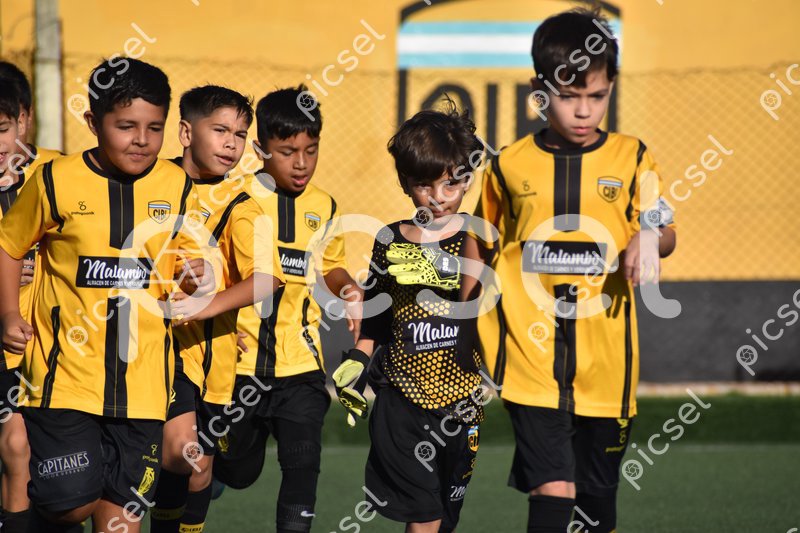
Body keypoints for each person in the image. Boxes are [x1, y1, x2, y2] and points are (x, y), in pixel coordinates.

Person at [474, 9, 677, 532]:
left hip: (607, 366)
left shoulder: (634, 158)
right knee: (553, 488)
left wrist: (648, 237)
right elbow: (481, 240)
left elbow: (666, 230)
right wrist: (462, 314)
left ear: (611, 88)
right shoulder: (507, 165)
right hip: (529, 361)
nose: (584, 111)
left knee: (594, 503)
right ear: (539, 93)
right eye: (568, 96)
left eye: (597, 96)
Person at [0, 57, 205, 532]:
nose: (141, 139)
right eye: (126, 126)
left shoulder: (176, 185)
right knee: (69, 503)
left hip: (145, 386)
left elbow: (187, 260)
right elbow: (9, 245)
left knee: (121, 517)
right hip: (64, 379)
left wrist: (195, 277)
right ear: (94, 123)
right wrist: (9, 312)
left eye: (154, 128)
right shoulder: (55, 179)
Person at [212, 85, 363, 533]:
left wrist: (348, 287)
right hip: (240, 365)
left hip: (300, 364)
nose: (301, 163)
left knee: (303, 463)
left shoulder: (324, 205)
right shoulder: (232, 198)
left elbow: (331, 265)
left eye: (310, 151)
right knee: (238, 472)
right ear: (260, 149)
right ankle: (214, 472)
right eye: (288, 152)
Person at [333, 103, 487, 533]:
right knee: (424, 516)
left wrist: (446, 272)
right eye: (424, 184)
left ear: (467, 179)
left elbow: (483, 304)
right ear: (405, 182)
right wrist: (358, 360)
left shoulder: (479, 236)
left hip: (462, 402)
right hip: (400, 401)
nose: (439, 196)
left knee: (443, 519)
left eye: (451, 182)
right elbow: (378, 317)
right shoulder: (390, 239)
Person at [150, 84, 285, 533]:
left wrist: (209, 306)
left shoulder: (244, 205)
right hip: (151, 351)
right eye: (220, 130)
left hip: (212, 359)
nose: (231, 143)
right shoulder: (149, 181)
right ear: (186, 132)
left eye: (240, 134)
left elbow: (267, 278)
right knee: (179, 453)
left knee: (197, 468)